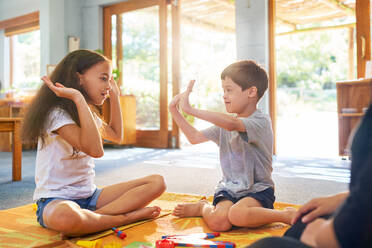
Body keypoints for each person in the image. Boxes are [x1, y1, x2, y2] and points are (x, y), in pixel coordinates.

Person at [22, 49, 166, 236]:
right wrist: (78, 98)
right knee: (69, 218)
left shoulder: (88, 114)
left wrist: (114, 96)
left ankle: (94, 218)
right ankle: (126, 218)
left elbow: (116, 135)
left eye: (110, 80)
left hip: (91, 196)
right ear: (79, 78)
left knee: (157, 182)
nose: (108, 85)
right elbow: (95, 150)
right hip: (55, 200)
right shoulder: (56, 115)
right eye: (104, 78)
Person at [169, 60, 296, 231]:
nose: (224, 95)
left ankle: (285, 215)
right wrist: (174, 111)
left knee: (237, 215)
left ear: (251, 92)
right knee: (219, 222)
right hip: (229, 188)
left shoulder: (260, 121)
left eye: (229, 90)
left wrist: (192, 110)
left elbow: (232, 124)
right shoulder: (225, 124)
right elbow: (194, 137)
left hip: (257, 189)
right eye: (223, 90)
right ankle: (202, 207)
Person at [247, 102, 372, 248]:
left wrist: (318, 233)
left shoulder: (258, 120)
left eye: (229, 90)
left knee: (267, 245)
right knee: (299, 226)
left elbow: (346, 235)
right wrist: (342, 198)